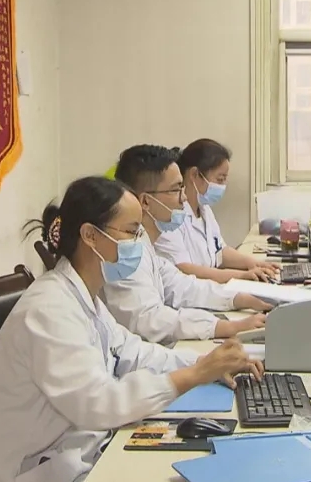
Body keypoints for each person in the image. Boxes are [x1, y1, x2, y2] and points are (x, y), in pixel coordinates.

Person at [0, 176, 262, 482]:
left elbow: (131, 351)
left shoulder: (81, 296)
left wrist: (204, 363)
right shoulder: (48, 310)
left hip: (72, 459)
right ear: (90, 236)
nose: (139, 243)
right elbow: (101, 403)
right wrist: (193, 375)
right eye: (132, 232)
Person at [105, 144, 273, 346]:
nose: (183, 198)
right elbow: (149, 320)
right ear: (146, 202)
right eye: (176, 189)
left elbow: (185, 287)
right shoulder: (125, 255)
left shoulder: (145, 245)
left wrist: (240, 298)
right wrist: (225, 327)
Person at [155, 138, 280, 282]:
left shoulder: (204, 210)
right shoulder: (171, 217)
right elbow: (183, 268)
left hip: (209, 288)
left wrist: (252, 263)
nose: (223, 186)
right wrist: (241, 275)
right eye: (220, 179)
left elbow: (219, 252)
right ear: (194, 174)